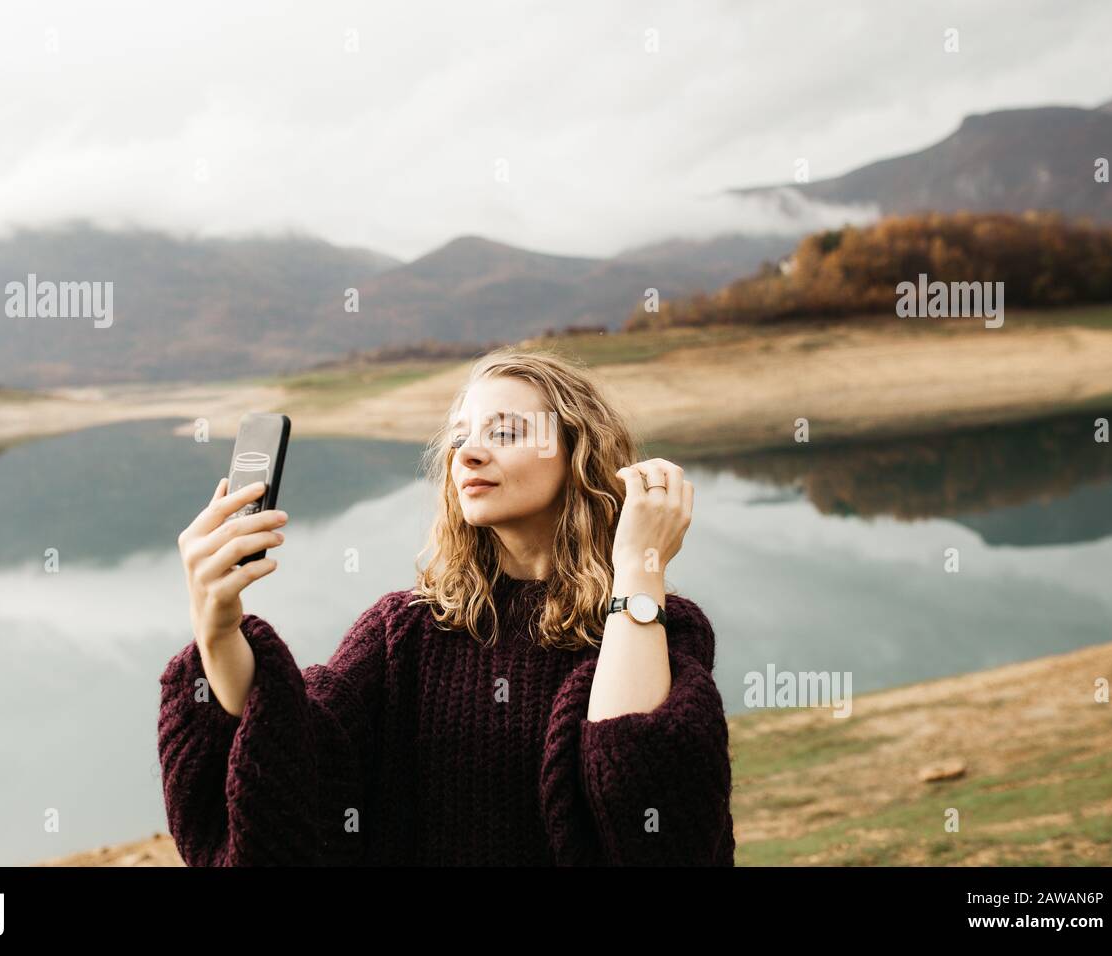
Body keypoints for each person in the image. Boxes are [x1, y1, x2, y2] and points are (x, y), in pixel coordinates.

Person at [159, 346, 735, 865]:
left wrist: (639, 566)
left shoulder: (659, 629)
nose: (468, 454)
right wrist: (218, 632)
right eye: (460, 437)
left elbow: (646, 811)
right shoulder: (406, 629)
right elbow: (298, 755)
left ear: (577, 453)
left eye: (505, 433)